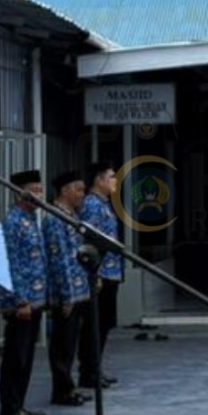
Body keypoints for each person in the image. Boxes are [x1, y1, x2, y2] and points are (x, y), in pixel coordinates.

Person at [0, 171, 49, 415]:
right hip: (22, 302)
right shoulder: (14, 222)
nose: (39, 195)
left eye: (41, 189)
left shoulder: (31, 220)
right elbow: (12, 264)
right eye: (34, 190)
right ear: (20, 193)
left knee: (26, 357)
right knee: (16, 357)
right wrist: (21, 300)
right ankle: (10, 407)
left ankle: (20, 404)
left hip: (36, 299)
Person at [42, 171, 93, 406]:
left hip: (79, 289)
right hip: (67, 294)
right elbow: (60, 259)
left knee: (71, 343)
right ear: (64, 190)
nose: (82, 194)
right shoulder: (55, 218)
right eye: (78, 189)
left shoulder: (72, 215)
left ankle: (68, 386)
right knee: (62, 345)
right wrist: (67, 296)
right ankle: (61, 390)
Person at [77, 163, 122, 391]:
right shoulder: (93, 206)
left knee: (103, 325)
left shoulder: (104, 204)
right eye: (112, 177)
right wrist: (95, 273)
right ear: (99, 180)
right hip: (101, 273)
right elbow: (90, 242)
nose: (115, 181)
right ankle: (89, 371)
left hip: (111, 271)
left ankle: (95, 368)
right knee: (95, 325)